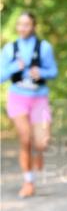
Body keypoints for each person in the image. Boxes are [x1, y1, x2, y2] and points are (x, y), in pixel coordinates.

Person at [1, 11, 58, 198]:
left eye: (26, 24)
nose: (22, 28)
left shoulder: (44, 47)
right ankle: (28, 181)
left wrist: (41, 72)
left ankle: (39, 152)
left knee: (41, 142)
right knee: (25, 138)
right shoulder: (10, 49)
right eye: (20, 24)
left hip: (39, 98)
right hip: (18, 97)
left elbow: (53, 71)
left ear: (34, 26)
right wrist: (13, 68)